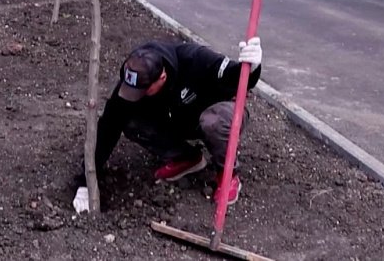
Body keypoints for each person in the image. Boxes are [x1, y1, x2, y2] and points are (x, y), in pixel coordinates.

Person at [71, 38, 263, 213]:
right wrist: (86, 181)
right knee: (129, 121)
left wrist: (252, 68)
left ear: (162, 77)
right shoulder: (134, 81)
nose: (137, 95)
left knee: (213, 122)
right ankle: (187, 158)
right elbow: (109, 127)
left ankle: (228, 174)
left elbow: (237, 77)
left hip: (219, 111)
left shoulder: (195, 59)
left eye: (144, 90)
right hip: (180, 116)